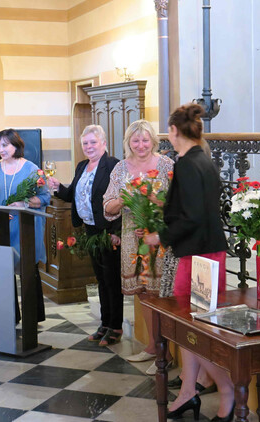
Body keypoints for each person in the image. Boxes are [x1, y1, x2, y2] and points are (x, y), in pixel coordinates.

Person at [143, 103, 234, 422]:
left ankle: (228, 389)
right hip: (204, 252)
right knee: (189, 329)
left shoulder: (187, 164)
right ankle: (187, 391)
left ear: (173, 131)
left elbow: (193, 216)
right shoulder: (202, 160)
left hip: (200, 256)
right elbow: (196, 208)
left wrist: (161, 236)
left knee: (195, 329)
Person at [102, 120, 174, 371]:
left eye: (145, 140)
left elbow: (178, 204)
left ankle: (166, 352)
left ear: (153, 141)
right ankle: (154, 346)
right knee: (143, 293)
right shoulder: (120, 168)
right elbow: (108, 206)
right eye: (136, 140)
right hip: (133, 237)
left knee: (161, 293)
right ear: (128, 142)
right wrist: (123, 199)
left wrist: (156, 207)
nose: (141, 145)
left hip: (160, 238)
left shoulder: (167, 165)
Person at [47, 125, 123, 346]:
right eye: (85, 143)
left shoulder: (113, 165)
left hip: (108, 230)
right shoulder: (82, 166)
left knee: (112, 280)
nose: (89, 147)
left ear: (103, 143)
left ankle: (116, 326)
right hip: (90, 230)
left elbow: (121, 199)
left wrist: (116, 232)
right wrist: (57, 187)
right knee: (100, 279)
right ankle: (105, 324)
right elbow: (71, 194)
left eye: (93, 142)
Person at [0, 129, 49, 322]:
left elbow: (44, 197)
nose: (1, 149)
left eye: (5, 145)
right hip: (0, 229)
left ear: (16, 145)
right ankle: (9, 317)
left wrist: (24, 203)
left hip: (26, 228)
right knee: (4, 272)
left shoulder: (32, 169)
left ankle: (33, 317)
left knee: (29, 272)